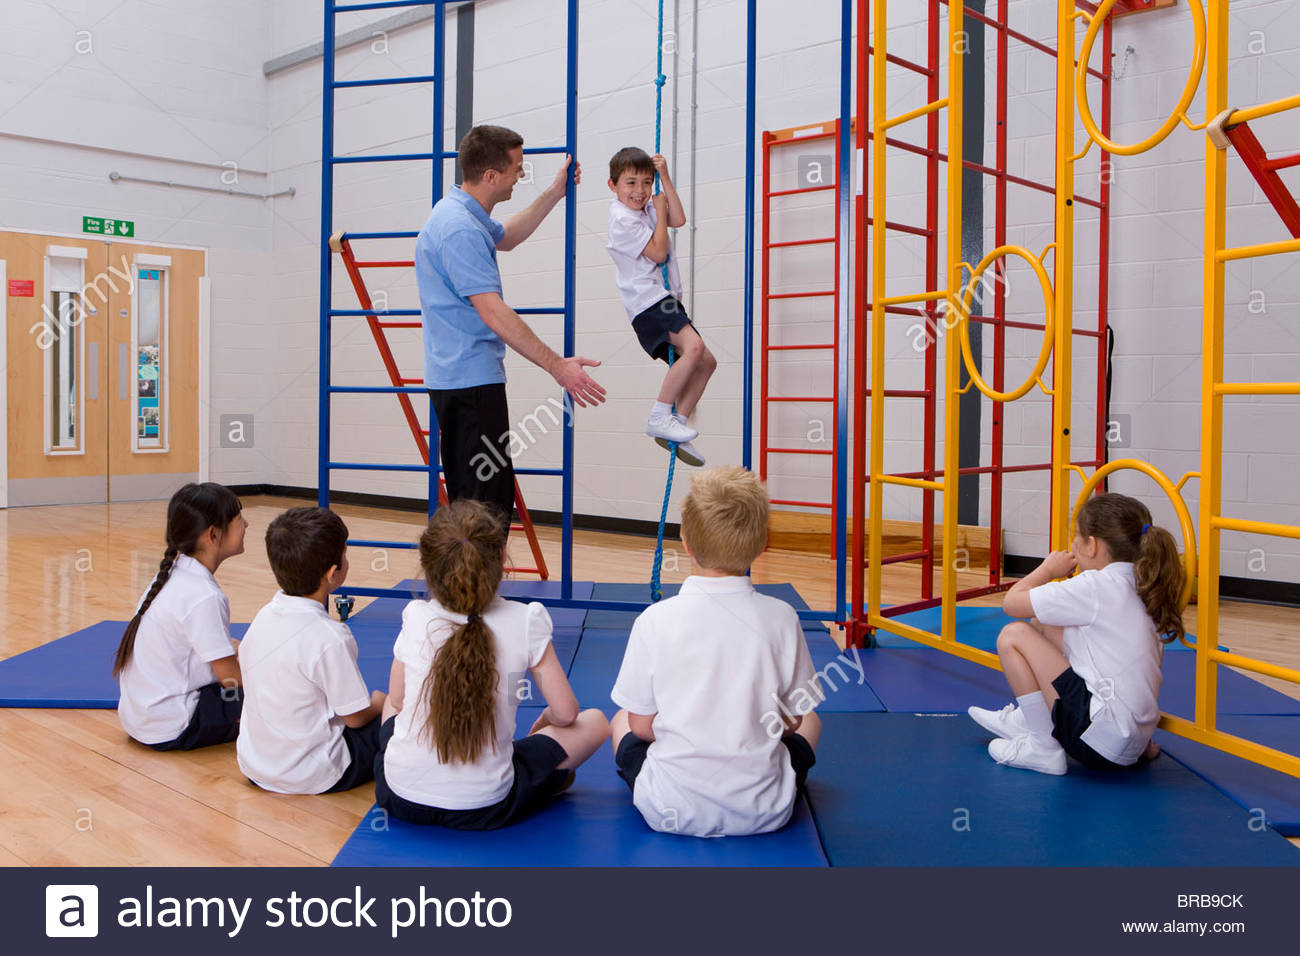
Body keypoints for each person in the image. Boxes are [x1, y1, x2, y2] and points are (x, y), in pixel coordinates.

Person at [609, 466, 821, 837]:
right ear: (761, 544)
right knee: (814, 720)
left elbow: (641, 727)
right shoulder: (782, 617)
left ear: (686, 543)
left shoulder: (655, 620)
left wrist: (692, 732)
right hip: (765, 812)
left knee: (620, 720)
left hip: (668, 808)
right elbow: (794, 721)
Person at [373, 499, 609, 829]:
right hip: (485, 807)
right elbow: (568, 713)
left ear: (429, 567)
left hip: (397, 796)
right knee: (596, 722)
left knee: (389, 706)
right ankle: (545, 781)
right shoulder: (526, 619)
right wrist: (548, 717)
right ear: (502, 561)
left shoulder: (415, 615)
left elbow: (396, 702)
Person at [416, 124, 606, 528]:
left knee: (480, 495)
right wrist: (558, 366)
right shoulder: (459, 229)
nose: (520, 177)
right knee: (485, 506)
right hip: (468, 384)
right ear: (491, 176)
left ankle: (470, 588)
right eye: (517, 169)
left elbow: (508, 236)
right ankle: (472, 590)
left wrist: (554, 193)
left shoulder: (463, 213)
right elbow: (493, 312)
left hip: (463, 380)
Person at [968, 492, 1188, 775]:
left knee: (1013, 635)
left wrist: (1047, 569)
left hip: (1095, 742)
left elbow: (1012, 604)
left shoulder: (1096, 585)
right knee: (1046, 624)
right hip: (1132, 742)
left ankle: (1042, 747)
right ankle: (1030, 718)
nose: (1071, 545)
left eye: (1076, 537)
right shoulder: (1144, 584)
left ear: (1092, 546)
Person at [236, 507, 386, 794]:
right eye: (344, 554)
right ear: (333, 573)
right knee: (391, 718)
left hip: (255, 765)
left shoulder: (263, 617)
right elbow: (354, 718)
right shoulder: (330, 637)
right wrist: (379, 704)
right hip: (315, 774)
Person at [114, 482, 247, 750]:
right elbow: (232, 680)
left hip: (140, 719)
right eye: (238, 519)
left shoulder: (171, 576)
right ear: (213, 534)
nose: (247, 525)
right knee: (281, 691)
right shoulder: (205, 596)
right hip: (175, 727)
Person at [606, 146, 716, 467]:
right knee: (693, 348)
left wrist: (665, 179)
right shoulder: (622, 219)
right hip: (648, 301)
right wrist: (658, 212)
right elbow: (658, 253)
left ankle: (675, 424)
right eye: (630, 183)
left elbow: (679, 219)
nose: (639, 191)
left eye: (646, 182)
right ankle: (659, 415)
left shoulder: (646, 208)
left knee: (707, 362)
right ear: (613, 186)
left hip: (664, 299)